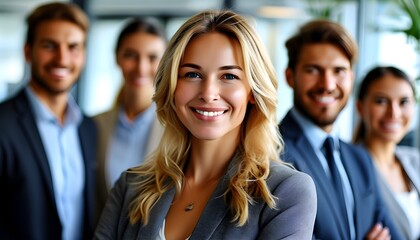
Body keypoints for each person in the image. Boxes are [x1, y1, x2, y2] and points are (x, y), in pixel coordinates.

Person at [94, 10, 317, 239]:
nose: (208, 93)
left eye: (229, 76)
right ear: (172, 87)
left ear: (252, 91)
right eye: (192, 74)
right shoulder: (130, 188)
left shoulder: (285, 192)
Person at [278, 19, 403, 240]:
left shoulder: (360, 159)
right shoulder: (270, 153)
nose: (327, 84)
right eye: (313, 70)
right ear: (290, 76)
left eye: (339, 71)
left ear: (351, 78)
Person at [0, 2, 96, 239]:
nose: (62, 58)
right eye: (49, 46)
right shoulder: (3, 124)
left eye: (73, 47)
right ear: (27, 51)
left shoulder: (88, 128)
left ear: (83, 55)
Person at [94, 17, 166, 221]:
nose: (141, 67)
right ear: (117, 58)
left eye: (152, 57)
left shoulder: (177, 129)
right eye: (130, 55)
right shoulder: (93, 125)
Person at [354, 66, 420, 240]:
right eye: (381, 101)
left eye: (404, 102)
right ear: (360, 106)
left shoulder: (415, 161)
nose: (394, 113)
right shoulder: (349, 166)